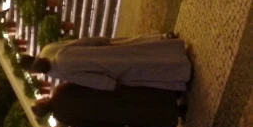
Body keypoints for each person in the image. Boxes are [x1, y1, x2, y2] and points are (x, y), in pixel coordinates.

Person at [26, 33, 192, 91]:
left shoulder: (58, 71)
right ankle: (173, 49)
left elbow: (89, 79)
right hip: (106, 52)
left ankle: (179, 72)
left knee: (147, 70)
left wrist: (110, 85)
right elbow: (82, 42)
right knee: (143, 51)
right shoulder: (55, 52)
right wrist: (100, 41)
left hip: (111, 71)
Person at [31, 83, 181, 127]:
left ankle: (175, 114)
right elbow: (81, 83)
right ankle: (172, 97)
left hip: (107, 115)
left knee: (141, 114)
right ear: (43, 102)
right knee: (142, 96)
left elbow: (85, 125)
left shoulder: (60, 117)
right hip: (106, 95)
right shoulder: (59, 91)